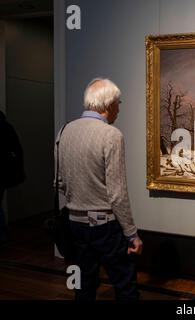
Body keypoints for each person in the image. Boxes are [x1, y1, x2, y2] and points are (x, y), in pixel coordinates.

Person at [55, 78, 143, 300]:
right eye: (119, 103)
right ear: (109, 104)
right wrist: (132, 234)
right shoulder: (111, 135)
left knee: (82, 286)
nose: (119, 109)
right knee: (125, 285)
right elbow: (117, 193)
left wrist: (80, 196)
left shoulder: (64, 131)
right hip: (105, 226)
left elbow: (58, 181)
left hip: (74, 224)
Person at [0, 110, 25, 245]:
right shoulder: (6, 126)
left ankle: (3, 233)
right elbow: (17, 149)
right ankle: (3, 233)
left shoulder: (5, 127)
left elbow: (16, 150)